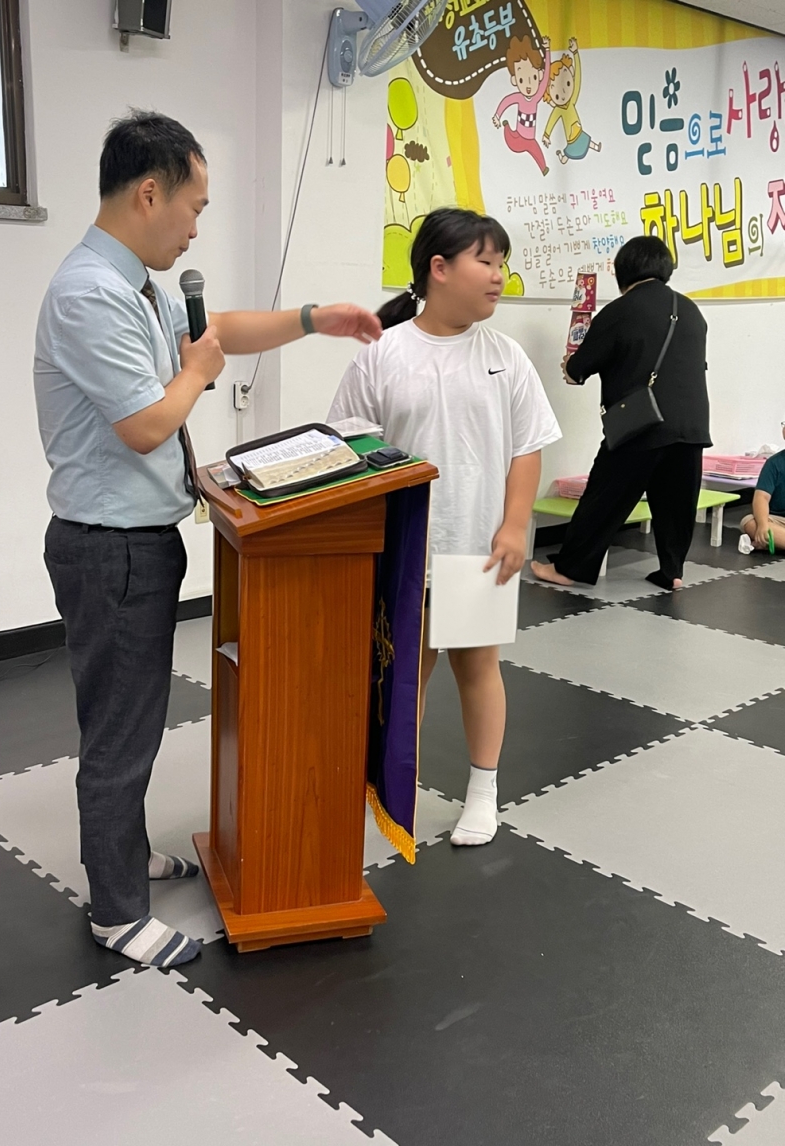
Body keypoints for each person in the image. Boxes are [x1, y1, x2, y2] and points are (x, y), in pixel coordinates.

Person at [34, 111, 382, 968]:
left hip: (135, 542)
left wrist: (316, 318)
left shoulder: (138, 286)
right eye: (194, 207)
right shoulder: (89, 293)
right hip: (111, 550)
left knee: (132, 721)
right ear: (149, 193)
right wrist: (195, 373)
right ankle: (117, 913)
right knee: (120, 732)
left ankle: (126, 854)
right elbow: (148, 425)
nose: (196, 227)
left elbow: (219, 330)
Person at [328, 208, 561, 847]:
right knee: (405, 676)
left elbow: (528, 448)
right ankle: (392, 791)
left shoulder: (505, 357)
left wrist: (515, 526)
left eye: (501, 263)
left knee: (479, 668)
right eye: (485, 262)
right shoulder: (383, 354)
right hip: (406, 552)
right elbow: (349, 448)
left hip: (479, 548)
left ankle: (483, 795)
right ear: (439, 268)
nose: (499, 276)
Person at [532, 235, 711, 592]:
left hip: (641, 423)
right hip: (692, 425)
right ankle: (672, 571)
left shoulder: (620, 311)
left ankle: (570, 569)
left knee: (605, 496)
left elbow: (578, 371)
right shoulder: (691, 310)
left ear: (623, 270)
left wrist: (570, 364)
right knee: (676, 501)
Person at [493, 34, 552, 176]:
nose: (528, 85)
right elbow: (506, 101)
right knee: (510, 138)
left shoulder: (536, 97)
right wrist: (497, 115)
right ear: (514, 80)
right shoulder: (519, 97)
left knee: (536, 150)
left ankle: (544, 168)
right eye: (521, 80)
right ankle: (506, 126)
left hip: (530, 138)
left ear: (539, 75)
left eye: (533, 77)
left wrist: (547, 51)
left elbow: (546, 78)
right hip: (518, 135)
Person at [542, 39, 601, 164]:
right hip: (571, 139)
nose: (563, 93)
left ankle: (596, 147)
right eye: (556, 95)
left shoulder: (572, 99)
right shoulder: (558, 110)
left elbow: (578, 78)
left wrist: (575, 53)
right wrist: (546, 135)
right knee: (569, 153)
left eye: (568, 83)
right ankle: (562, 157)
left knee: (587, 141)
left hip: (579, 133)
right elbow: (551, 121)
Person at [740, 423, 785, 552]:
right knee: (749, 522)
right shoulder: (774, 463)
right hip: (779, 520)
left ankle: (776, 541)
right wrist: (763, 525)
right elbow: (761, 497)